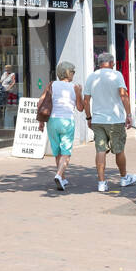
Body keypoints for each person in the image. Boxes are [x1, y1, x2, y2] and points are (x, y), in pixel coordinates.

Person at [83, 52, 136, 193]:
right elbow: (123, 95)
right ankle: (124, 178)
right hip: (115, 120)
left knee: (100, 150)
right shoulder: (116, 75)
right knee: (119, 150)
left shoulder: (91, 77)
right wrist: (129, 114)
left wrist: (88, 118)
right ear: (112, 63)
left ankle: (101, 182)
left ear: (99, 63)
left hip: (98, 120)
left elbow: (86, 100)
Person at [46, 61, 84, 190]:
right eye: (73, 72)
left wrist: (40, 121)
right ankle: (58, 175)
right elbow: (80, 108)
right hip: (67, 121)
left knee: (57, 151)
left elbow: (42, 101)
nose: (74, 74)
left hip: (52, 121)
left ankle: (62, 178)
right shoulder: (74, 87)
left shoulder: (52, 84)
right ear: (68, 73)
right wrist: (79, 93)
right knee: (66, 152)